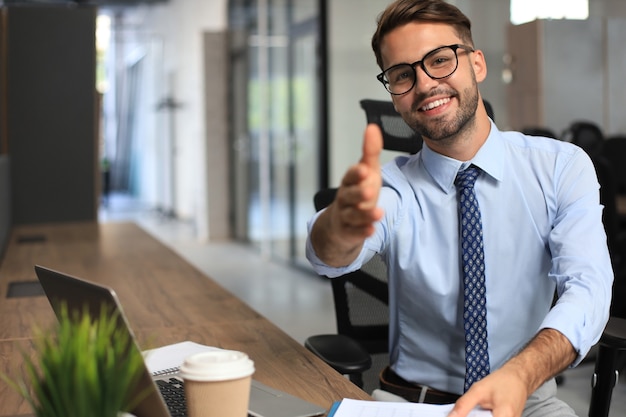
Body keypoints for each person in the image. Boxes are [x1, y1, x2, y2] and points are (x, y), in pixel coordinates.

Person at [305, 1, 614, 416]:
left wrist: (520, 375)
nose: (425, 84)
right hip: (412, 402)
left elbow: (588, 288)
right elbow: (327, 257)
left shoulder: (560, 167)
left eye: (439, 60)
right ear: (393, 94)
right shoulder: (392, 187)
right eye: (402, 74)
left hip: (527, 395)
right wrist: (338, 230)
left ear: (477, 64)